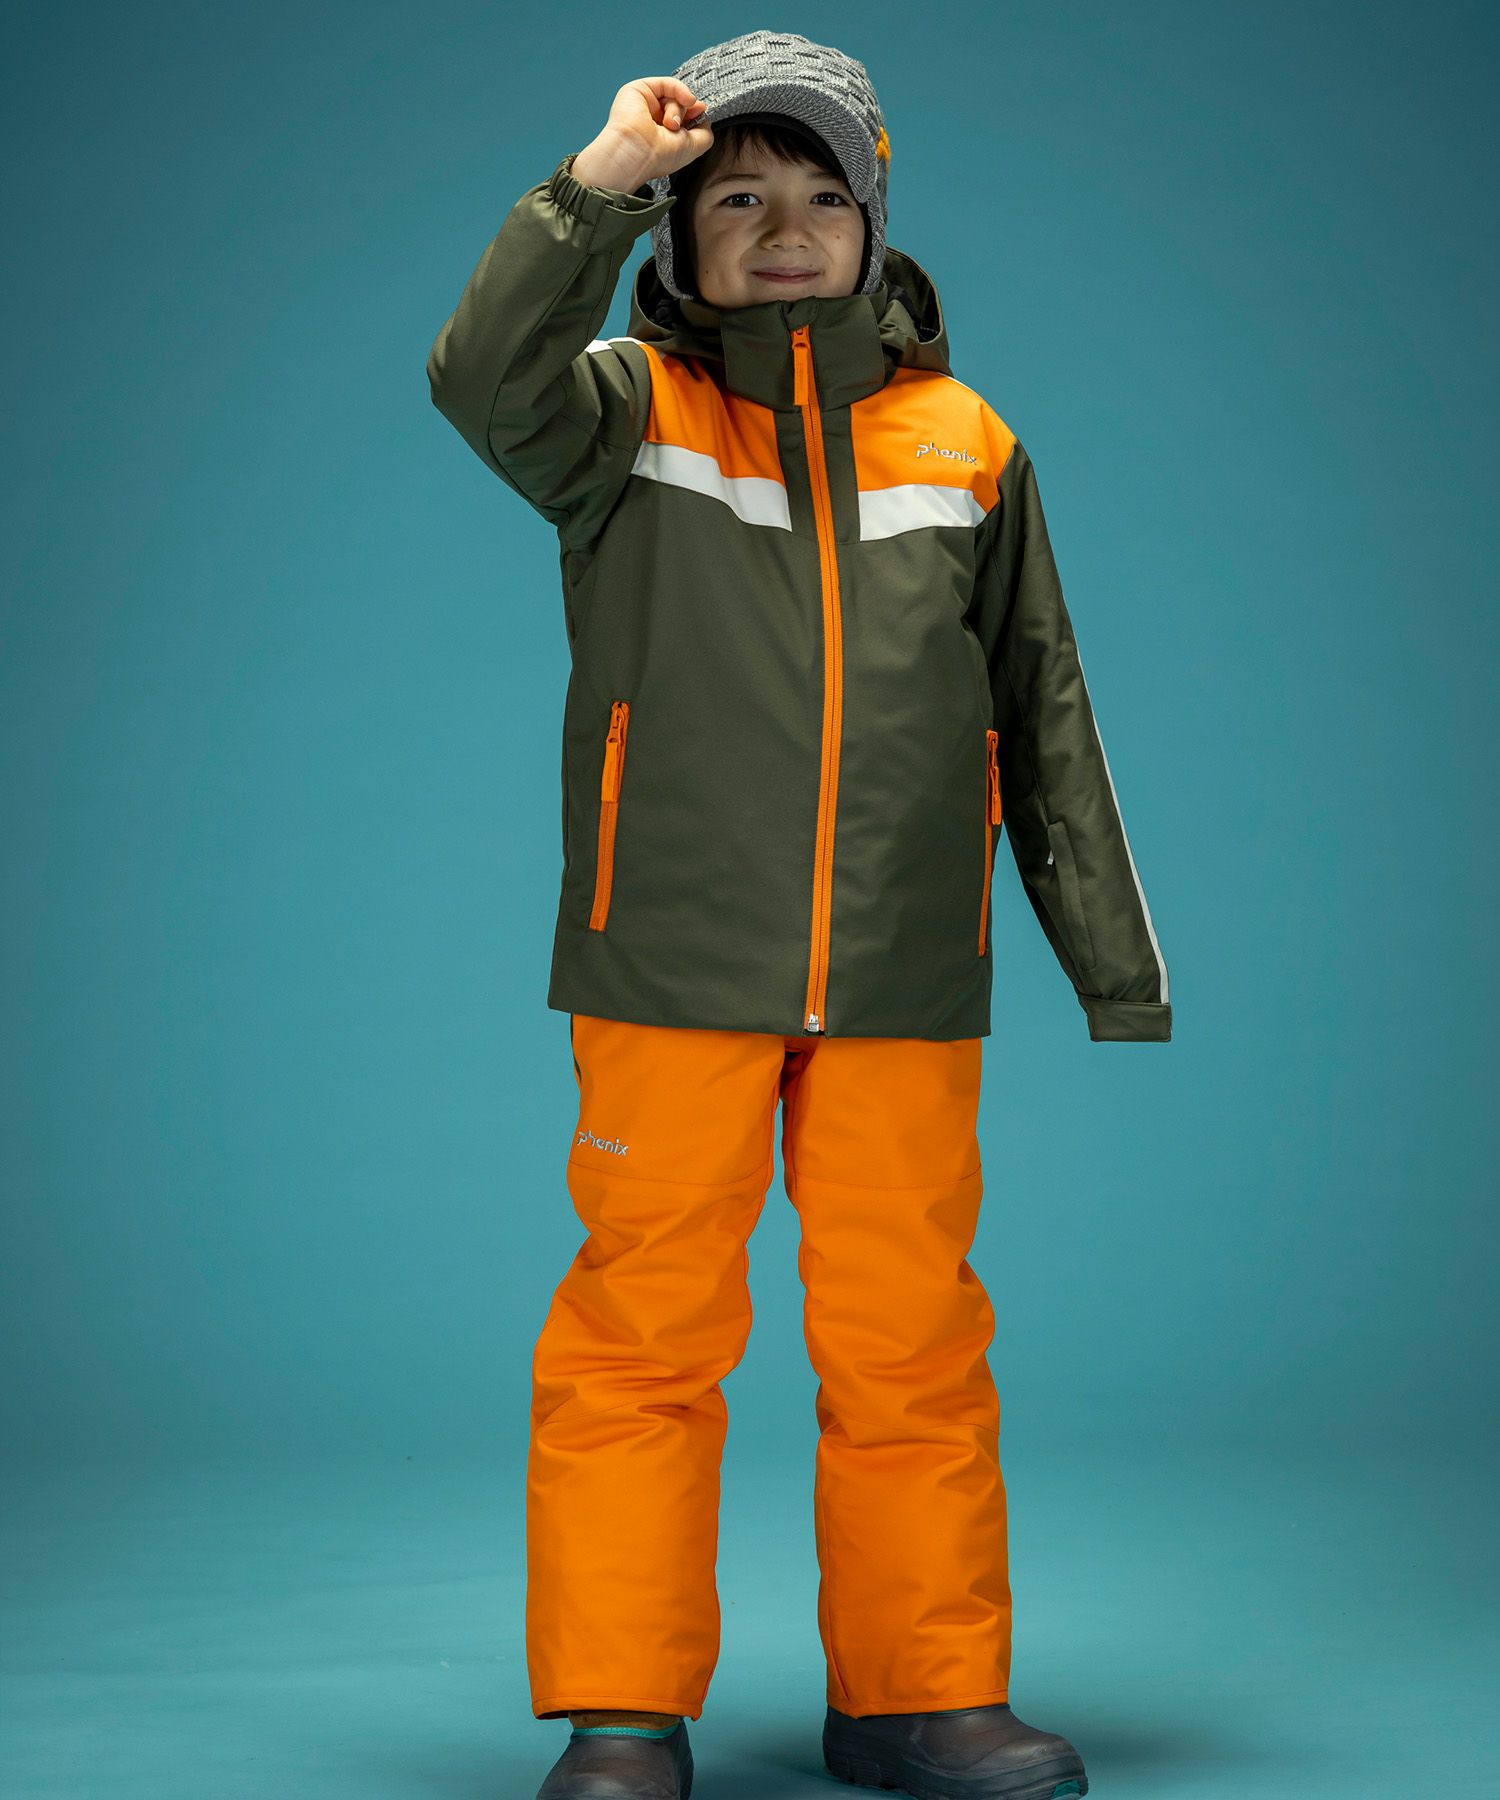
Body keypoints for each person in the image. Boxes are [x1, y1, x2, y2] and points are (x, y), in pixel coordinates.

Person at [426, 28, 1170, 1800]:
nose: (781, 232)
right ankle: (621, 1713)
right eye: (735, 199)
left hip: (904, 971)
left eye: (821, 199)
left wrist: (1109, 962)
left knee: (912, 1340)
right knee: (642, 1336)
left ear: (875, 226)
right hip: (669, 961)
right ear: (677, 235)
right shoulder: (623, 414)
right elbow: (478, 375)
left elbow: (1044, 704)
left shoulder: (964, 442)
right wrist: (597, 184)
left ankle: (921, 1696)